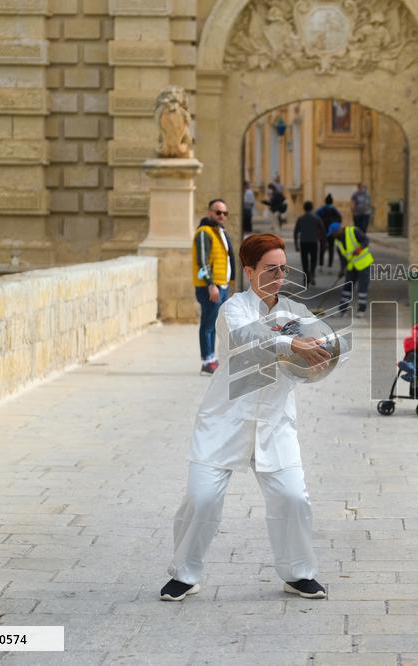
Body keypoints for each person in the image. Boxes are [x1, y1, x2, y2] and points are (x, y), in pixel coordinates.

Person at [162, 233, 333, 603]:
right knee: (202, 498)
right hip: (225, 419)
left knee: (293, 498)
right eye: (270, 270)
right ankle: (185, 573)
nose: (278, 277)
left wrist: (323, 354)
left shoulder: (295, 312)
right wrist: (291, 345)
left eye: (283, 269)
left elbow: (322, 347)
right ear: (249, 270)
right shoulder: (232, 308)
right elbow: (246, 339)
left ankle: (298, 574)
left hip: (274, 420)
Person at [192, 199, 237, 375]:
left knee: (215, 324)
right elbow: (202, 261)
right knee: (208, 324)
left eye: (224, 213)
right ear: (209, 212)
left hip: (221, 285)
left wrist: (229, 282)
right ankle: (207, 361)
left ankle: (211, 359)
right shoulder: (204, 233)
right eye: (218, 212)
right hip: (211, 286)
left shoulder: (219, 232)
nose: (221, 216)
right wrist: (211, 284)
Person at [330, 220, 373, 314]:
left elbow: (366, 240)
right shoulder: (338, 242)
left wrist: (360, 248)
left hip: (364, 264)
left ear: (339, 230)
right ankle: (342, 310)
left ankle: (361, 309)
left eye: (333, 233)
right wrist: (342, 269)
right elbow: (342, 258)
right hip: (351, 266)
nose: (333, 235)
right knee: (347, 287)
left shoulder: (353, 231)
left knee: (362, 288)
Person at [293, 201, 324, 286]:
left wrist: (296, 244)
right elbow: (322, 231)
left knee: (304, 261)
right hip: (313, 241)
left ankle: (305, 278)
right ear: (312, 208)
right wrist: (322, 242)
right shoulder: (317, 218)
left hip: (303, 242)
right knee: (314, 260)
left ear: (304, 208)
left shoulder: (300, 218)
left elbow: (295, 232)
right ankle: (312, 273)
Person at [315, 193, 342, 273]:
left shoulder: (321, 210)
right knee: (331, 249)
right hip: (332, 233)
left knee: (322, 249)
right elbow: (339, 220)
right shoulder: (334, 210)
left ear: (325, 201)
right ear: (332, 202)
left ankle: (320, 265)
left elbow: (316, 218)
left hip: (323, 232)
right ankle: (330, 266)